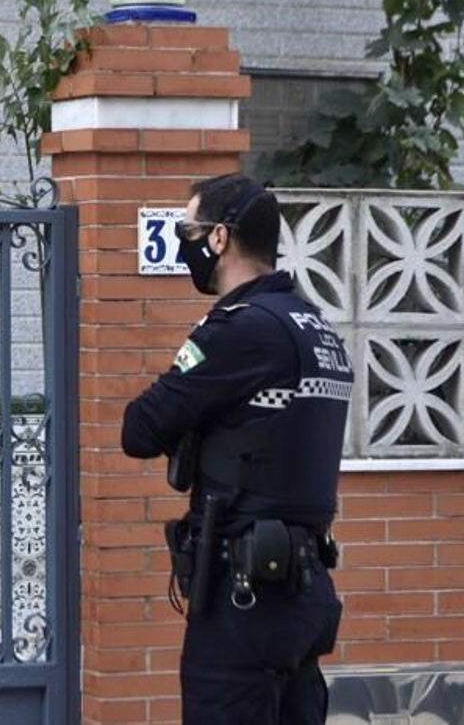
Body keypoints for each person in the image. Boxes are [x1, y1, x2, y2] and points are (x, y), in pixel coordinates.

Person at [122, 173, 353, 725]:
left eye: (189, 231)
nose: (185, 244)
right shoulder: (315, 327)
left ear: (219, 239)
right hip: (302, 590)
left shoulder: (241, 328)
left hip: (244, 598)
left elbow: (140, 430)